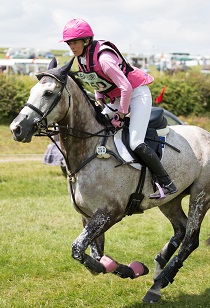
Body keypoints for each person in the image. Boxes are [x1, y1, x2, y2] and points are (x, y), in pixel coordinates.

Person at [60, 18, 177, 199]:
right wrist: (99, 101)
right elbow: (97, 82)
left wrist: (121, 114)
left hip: (136, 94)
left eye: (74, 42)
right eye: (69, 43)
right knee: (95, 126)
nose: (72, 47)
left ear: (86, 41)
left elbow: (126, 87)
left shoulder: (104, 59)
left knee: (136, 142)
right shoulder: (82, 58)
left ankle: (166, 182)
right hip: (117, 97)